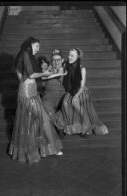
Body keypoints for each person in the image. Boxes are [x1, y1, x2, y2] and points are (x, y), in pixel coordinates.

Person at [8, 37, 63, 165]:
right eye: (37, 46)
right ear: (31, 44)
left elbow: (19, 72)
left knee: (36, 121)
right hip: (28, 94)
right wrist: (46, 75)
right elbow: (32, 75)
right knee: (40, 120)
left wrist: (24, 81)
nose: (38, 48)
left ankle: (43, 149)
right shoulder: (26, 53)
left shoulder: (25, 54)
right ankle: (45, 149)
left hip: (29, 91)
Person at [62, 48, 109, 136]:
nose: (69, 57)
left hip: (81, 90)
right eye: (69, 55)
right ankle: (73, 127)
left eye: (72, 56)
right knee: (65, 102)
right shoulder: (67, 65)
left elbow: (82, 86)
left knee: (74, 102)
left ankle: (86, 122)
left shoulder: (82, 68)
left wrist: (76, 96)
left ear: (78, 57)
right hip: (71, 90)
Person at [40, 49, 67, 133]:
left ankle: (58, 124)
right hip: (49, 97)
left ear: (62, 60)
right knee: (44, 104)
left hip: (62, 97)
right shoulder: (47, 70)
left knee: (66, 105)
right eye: (53, 60)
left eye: (58, 60)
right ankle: (59, 126)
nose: (56, 62)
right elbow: (41, 83)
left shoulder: (67, 69)